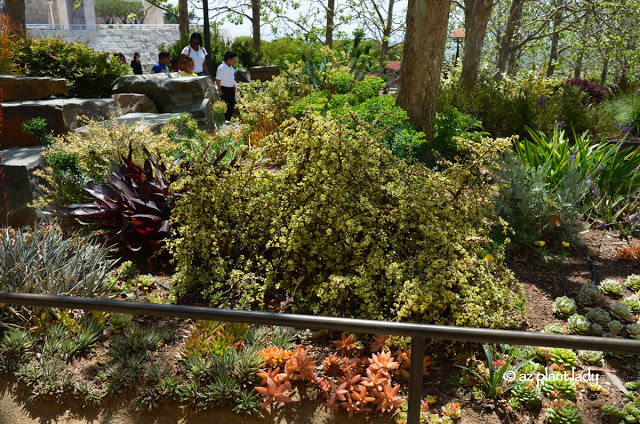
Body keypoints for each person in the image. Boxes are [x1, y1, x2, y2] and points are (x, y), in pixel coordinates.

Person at [215, 51, 237, 123]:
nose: (234, 61)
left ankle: (229, 119)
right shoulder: (221, 67)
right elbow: (218, 79)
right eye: (233, 59)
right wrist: (219, 90)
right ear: (229, 59)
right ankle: (224, 120)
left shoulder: (231, 68)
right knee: (225, 105)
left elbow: (232, 78)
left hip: (231, 89)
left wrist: (234, 84)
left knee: (231, 105)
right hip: (224, 89)